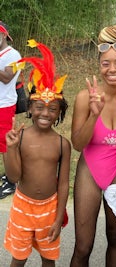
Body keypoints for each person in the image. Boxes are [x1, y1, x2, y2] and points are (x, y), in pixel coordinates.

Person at [69, 25, 116, 267]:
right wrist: (94, 114)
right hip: (89, 170)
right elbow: (78, 144)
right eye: (105, 63)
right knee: (83, 246)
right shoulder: (84, 97)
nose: (112, 69)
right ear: (99, 67)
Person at [4, 39, 71, 267]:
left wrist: (59, 214)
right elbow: (13, 177)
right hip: (22, 206)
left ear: (60, 113)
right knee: (18, 259)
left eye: (53, 108)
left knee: (48, 259)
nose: (46, 113)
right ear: (30, 109)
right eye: (40, 107)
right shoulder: (20, 138)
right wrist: (10, 149)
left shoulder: (63, 144)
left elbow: (63, 184)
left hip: (50, 210)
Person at [0, 20, 21, 199]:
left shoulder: (14, 55)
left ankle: (11, 182)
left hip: (5, 105)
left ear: (4, 35)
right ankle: (7, 175)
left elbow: (7, 77)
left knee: (5, 144)